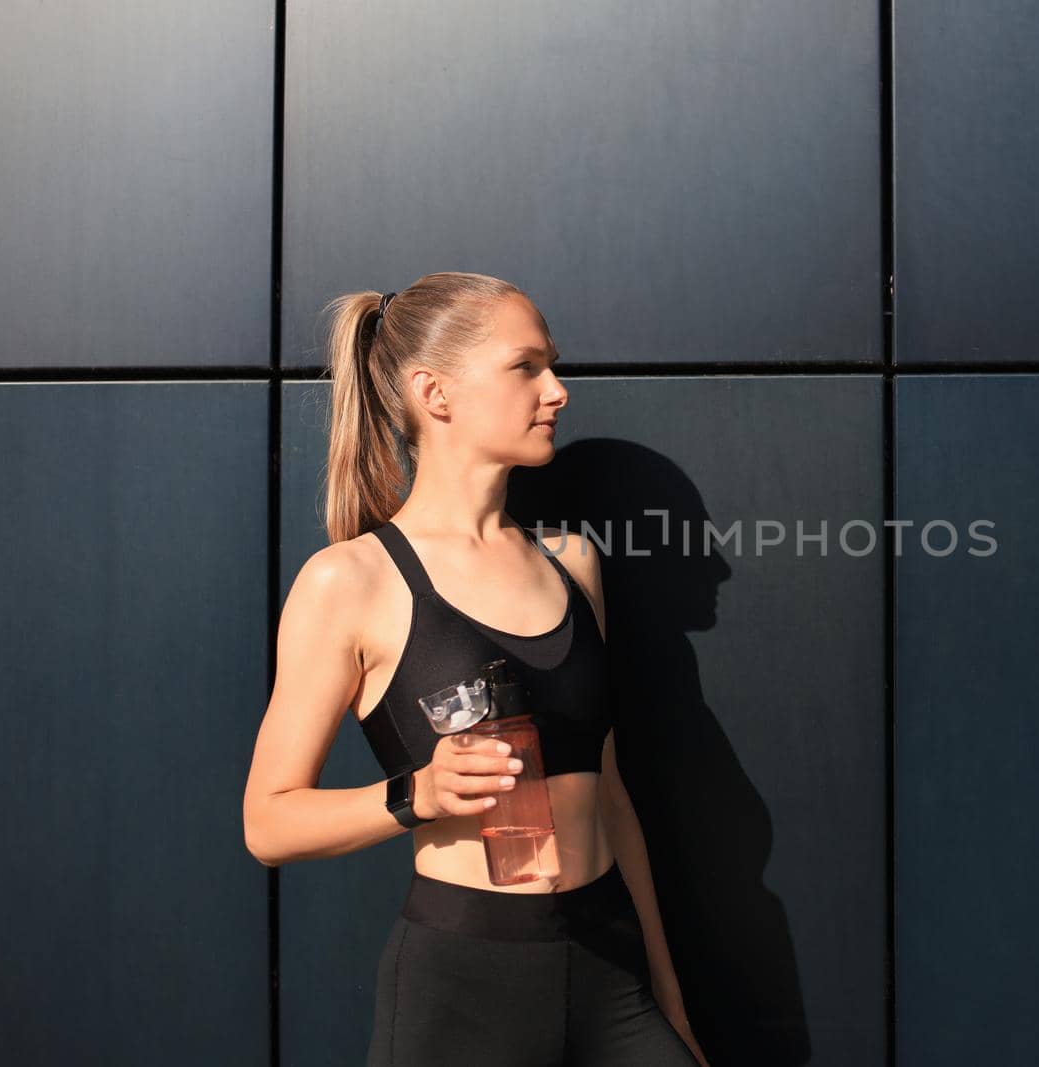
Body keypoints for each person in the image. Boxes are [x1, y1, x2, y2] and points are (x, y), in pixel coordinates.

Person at [242, 271, 710, 1066]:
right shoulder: (349, 581)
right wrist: (415, 794)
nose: (557, 390)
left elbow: (611, 796)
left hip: (610, 974)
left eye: (553, 366)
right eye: (526, 367)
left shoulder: (573, 562)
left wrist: (669, 1001)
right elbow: (268, 822)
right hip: (463, 990)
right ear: (436, 393)